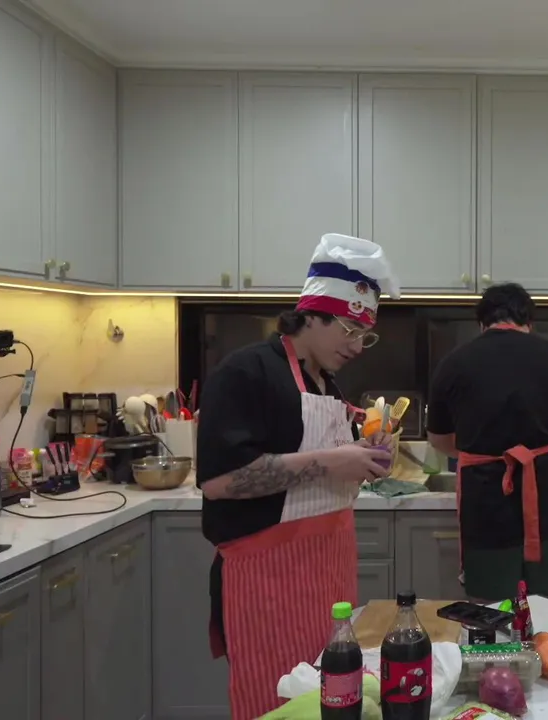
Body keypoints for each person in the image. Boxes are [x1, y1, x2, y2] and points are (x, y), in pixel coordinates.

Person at [195, 233, 397, 719]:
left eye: (365, 336)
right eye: (349, 330)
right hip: (266, 581)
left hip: (329, 572)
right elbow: (219, 481)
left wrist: (364, 461)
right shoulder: (246, 372)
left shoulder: (326, 383)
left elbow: (325, 475)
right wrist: (332, 461)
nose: (357, 346)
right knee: (277, 703)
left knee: (335, 698)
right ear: (312, 314)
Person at [426, 283, 548, 609]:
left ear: (482, 323)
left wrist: (486, 457)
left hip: (486, 501)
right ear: (528, 321)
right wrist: (541, 458)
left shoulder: (454, 363)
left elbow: (439, 439)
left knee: (491, 616)